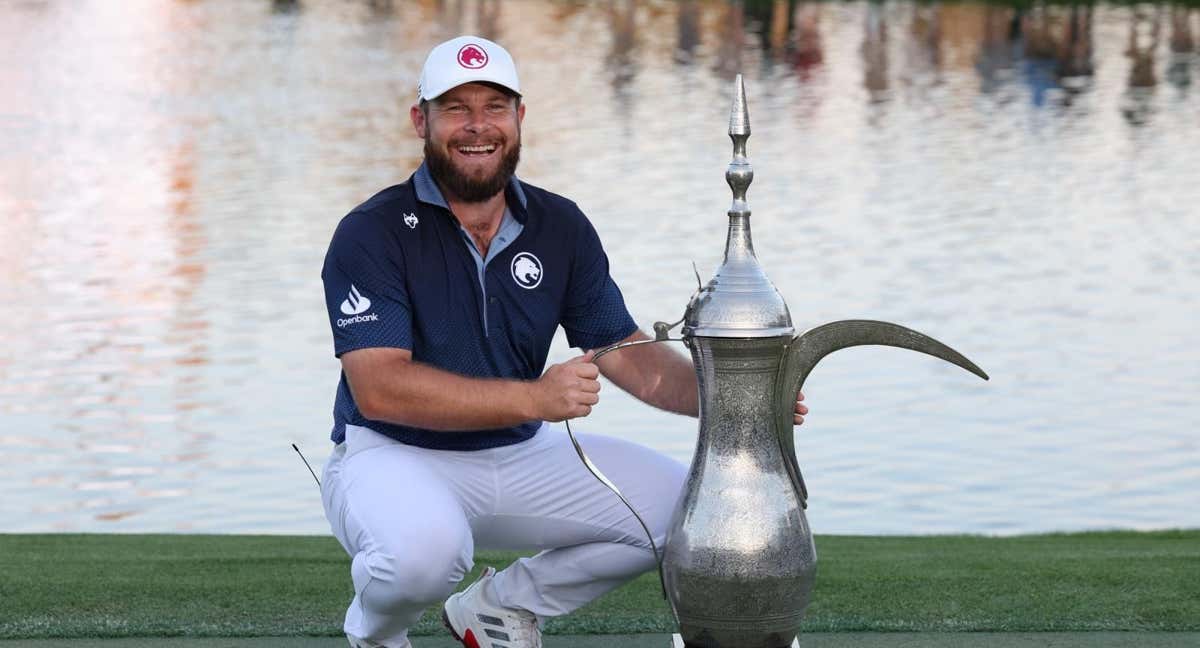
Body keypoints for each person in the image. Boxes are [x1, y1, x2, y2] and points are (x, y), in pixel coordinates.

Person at [319, 36, 808, 648]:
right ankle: (376, 632)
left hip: (521, 453)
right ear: (421, 120)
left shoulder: (560, 225)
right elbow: (379, 388)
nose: (477, 127)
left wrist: (739, 400)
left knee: (692, 519)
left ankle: (497, 608)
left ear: (520, 118)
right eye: (456, 108)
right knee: (424, 557)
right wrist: (535, 399)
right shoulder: (372, 231)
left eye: (495, 107)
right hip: (392, 453)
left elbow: (627, 354)